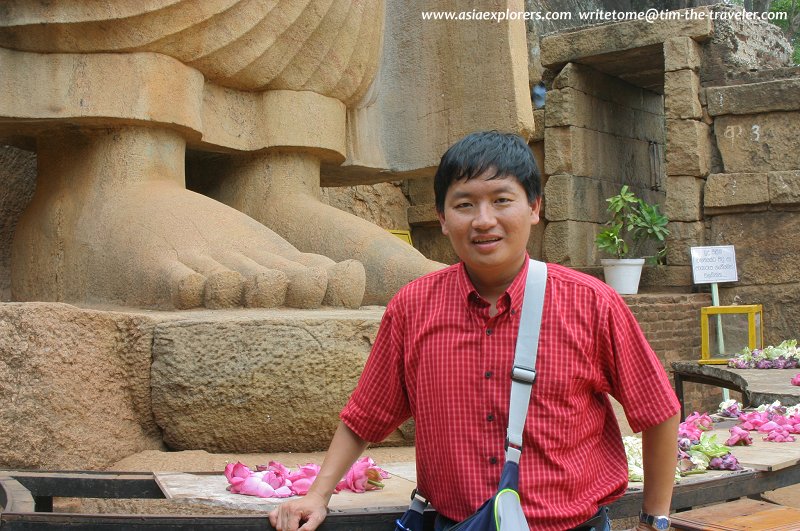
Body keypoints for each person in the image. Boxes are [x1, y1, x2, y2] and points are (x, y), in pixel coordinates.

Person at [270, 131, 680, 531]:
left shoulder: (591, 303)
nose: (484, 221)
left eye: (502, 200)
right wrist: (317, 495)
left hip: (571, 525)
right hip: (458, 524)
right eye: (464, 204)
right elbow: (364, 417)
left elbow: (658, 411)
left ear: (534, 207)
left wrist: (654, 518)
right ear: (443, 219)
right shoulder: (413, 308)